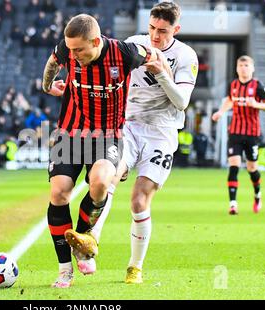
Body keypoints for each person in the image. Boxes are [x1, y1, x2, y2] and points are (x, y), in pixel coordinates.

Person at [65, 2, 198, 284]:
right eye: (151, 28)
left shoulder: (186, 56)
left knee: (138, 200)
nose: (155, 36)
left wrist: (161, 71)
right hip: (127, 126)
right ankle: (91, 241)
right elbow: (96, 70)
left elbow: (182, 102)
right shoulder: (133, 45)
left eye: (162, 31)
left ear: (176, 29)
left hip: (161, 132)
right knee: (105, 178)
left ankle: (135, 267)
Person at [42, 13, 157, 288]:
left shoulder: (124, 53)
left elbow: (152, 55)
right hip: (70, 131)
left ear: (96, 41)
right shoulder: (68, 50)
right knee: (59, 192)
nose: (74, 54)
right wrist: (48, 85)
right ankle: (64, 269)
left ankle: (83, 240)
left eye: (79, 49)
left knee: (101, 182)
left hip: (107, 135)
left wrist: (162, 74)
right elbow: (53, 60)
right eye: (71, 49)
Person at [212, 55, 265, 215]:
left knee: (252, 169)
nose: (243, 68)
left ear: (252, 68)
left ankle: (257, 195)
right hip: (235, 132)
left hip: (252, 134)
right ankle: (233, 204)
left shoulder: (258, 86)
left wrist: (256, 104)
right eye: (241, 66)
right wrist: (220, 112)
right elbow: (230, 100)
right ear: (237, 68)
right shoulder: (233, 84)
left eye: (246, 65)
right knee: (233, 167)